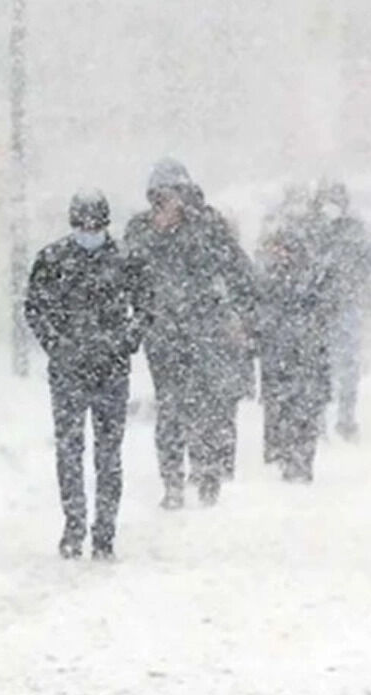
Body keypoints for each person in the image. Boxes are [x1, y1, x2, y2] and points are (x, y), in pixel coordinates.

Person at [23, 189, 150, 560]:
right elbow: (35, 308)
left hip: (111, 369)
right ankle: (74, 523)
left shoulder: (126, 259)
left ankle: (105, 531)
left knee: (108, 453)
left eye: (95, 224)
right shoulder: (52, 259)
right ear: (73, 223)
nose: (88, 231)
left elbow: (145, 306)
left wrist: (126, 340)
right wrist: (57, 344)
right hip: (69, 370)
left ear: (106, 225)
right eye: (82, 224)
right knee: (69, 449)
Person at [124, 159, 257, 509]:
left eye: (172, 194)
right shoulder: (140, 229)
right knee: (170, 407)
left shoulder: (208, 226)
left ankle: (207, 472)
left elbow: (240, 273)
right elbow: (129, 275)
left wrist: (242, 318)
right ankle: (172, 481)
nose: (166, 202)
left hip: (205, 330)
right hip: (163, 333)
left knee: (207, 406)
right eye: (159, 197)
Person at [257, 192, 337, 483]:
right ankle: (288, 457)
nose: (281, 255)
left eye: (286, 249)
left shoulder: (311, 279)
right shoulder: (269, 279)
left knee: (304, 411)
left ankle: (301, 461)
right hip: (282, 358)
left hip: (304, 357)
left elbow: (326, 309)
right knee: (285, 411)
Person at [313, 179, 371, 440]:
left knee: (344, 367)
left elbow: (367, 266)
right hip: (323, 309)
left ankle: (342, 419)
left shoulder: (351, 232)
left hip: (342, 307)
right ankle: (323, 421)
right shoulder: (316, 230)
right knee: (322, 367)